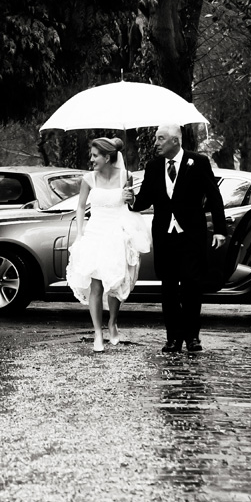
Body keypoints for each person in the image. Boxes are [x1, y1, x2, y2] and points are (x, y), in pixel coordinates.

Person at [126, 124, 226, 354]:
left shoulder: (198, 162)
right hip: (165, 237)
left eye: (160, 138)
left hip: (191, 236)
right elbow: (144, 200)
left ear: (175, 141)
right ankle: (173, 338)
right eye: (156, 139)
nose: (156, 143)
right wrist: (131, 199)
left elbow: (214, 196)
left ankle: (192, 337)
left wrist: (220, 230)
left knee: (192, 287)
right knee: (168, 289)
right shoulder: (153, 167)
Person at [67, 137, 151, 353]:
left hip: (116, 233)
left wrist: (130, 198)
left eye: (95, 156)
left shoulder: (125, 176)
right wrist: (80, 233)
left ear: (107, 157)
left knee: (114, 284)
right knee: (95, 285)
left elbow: (132, 205)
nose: (91, 159)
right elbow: (80, 207)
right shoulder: (88, 179)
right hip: (95, 233)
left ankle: (112, 322)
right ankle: (98, 332)